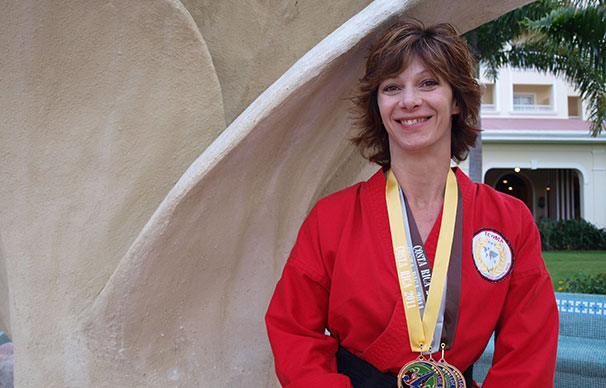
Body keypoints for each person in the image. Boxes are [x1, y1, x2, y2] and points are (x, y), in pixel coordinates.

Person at [265, 19, 558, 388]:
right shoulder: (332, 218)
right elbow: (293, 330)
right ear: (378, 105)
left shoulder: (509, 221)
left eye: (428, 83)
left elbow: (529, 350)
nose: (409, 101)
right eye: (392, 87)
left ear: (456, 100)